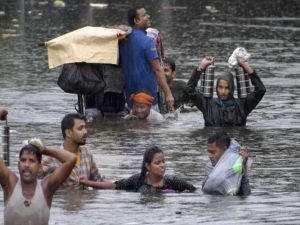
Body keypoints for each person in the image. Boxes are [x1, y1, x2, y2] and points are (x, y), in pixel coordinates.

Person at [0, 138, 76, 225]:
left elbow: (71, 159)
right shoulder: (10, 184)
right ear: (18, 165)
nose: (27, 165)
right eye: (23, 160)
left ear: (40, 167)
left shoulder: (46, 188)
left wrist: (44, 149)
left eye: (32, 161)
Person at [120, 6, 174, 111]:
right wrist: (168, 94)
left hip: (131, 99)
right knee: (152, 126)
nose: (148, 16)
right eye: (144, 15)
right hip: (148, 99)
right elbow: (158, 70)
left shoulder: (122, 40)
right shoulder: (148, 41)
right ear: (136, 20)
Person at [184, 56, 266, 126]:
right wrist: (201, 67)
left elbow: (261, 90)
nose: (223, 91)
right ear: (216, 87)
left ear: (232, 88)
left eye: (227, 88)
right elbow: (188, 90)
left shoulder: (242, 106)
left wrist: (247, 67)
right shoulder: (207, 105)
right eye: (220, 87)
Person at [79, 146, 196, 193]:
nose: (162, 165)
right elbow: (113, 186)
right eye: (157, 162)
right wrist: (88, 183)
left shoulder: (173, 181)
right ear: (147, 166)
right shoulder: (137, 181)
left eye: (163, 161)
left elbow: (194, 191)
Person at [41, 113, 104, 189]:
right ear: (68, 133)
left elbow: (99, 181)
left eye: (85, 128)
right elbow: (40, 186)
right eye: (80, 128)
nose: (85, 132)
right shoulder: (52, 159)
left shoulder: (86, 153)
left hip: (85, 200)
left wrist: (117, 185)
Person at [202, 131, 251, 196]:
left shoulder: (234, 169)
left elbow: (245, 195)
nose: (210, 156)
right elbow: (204, 191)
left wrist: (244, 167)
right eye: (209, 152)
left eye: (213, 152)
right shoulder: (210, 168)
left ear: (224, 150)